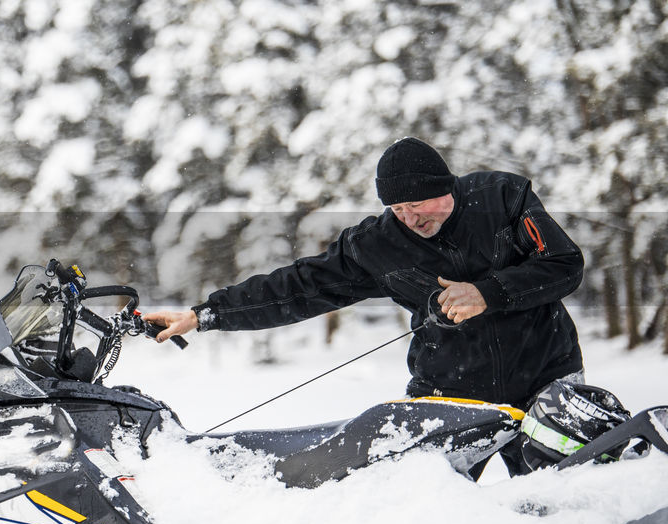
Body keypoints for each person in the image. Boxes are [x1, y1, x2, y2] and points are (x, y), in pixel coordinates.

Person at [144, 137, 586, 429]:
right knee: (425, 515)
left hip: (546, 376)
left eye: (417, 204)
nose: (410, 219)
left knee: (564, 506)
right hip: (447, 389)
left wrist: (489, 292)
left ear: (446, 187)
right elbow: (297, 286)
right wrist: (205, 315)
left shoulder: (502, 198)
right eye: (397, 209)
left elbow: (565, 264)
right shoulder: (378, 244)